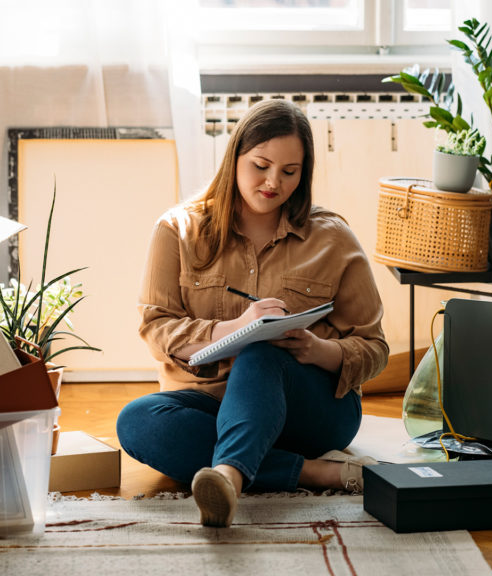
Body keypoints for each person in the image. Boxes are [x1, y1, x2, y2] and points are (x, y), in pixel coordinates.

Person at [116, 99, 388, 528]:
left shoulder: (333, 238)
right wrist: (235, 327)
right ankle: (316, 473)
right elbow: (156, 327)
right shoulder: (177, 231)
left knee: (262, 354)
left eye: (289, 172)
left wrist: (318, 350)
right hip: (210, 404)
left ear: (304, 173)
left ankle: (228, 476)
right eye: (261, 165)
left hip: (309, 411)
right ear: (235, 156)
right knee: (136, 422)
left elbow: (373, 347)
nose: (272, 182)